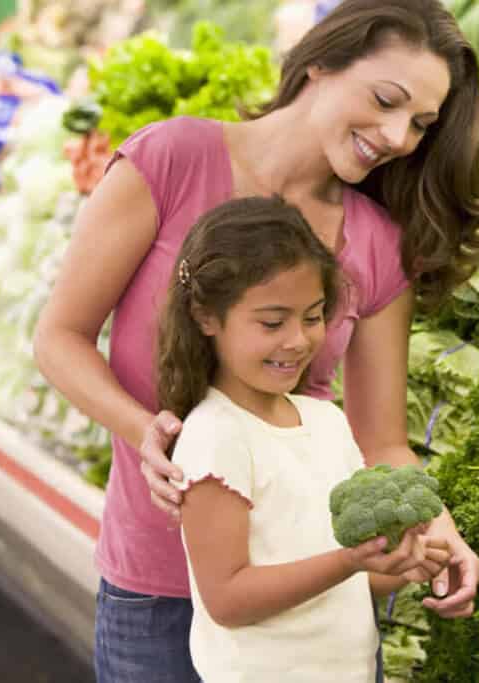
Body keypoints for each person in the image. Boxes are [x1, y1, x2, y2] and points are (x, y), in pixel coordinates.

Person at [32, 0, 479, 680]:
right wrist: (144, 431)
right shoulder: (171, 160)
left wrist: (435, 521)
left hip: (308, 601)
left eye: (421, 124)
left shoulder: (376, 242)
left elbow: (382, 440)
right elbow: (60, 337)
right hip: (156, 596)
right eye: (386, 100)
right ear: (320, 62)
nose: (398, 135)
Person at [159, 195, 449, 682]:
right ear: (206, 317)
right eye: (273, 322)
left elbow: (341, 581)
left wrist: (399, 562)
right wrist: (347, 561)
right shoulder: (215, 436)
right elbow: (228, 599)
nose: (297, 340)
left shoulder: (325, 420)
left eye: (312, 317)